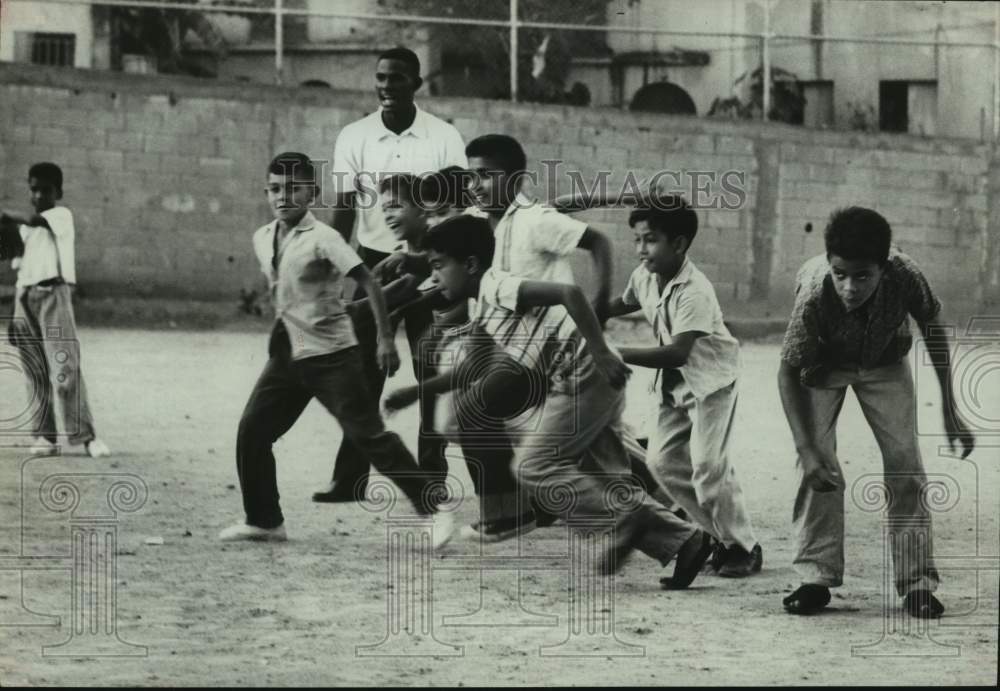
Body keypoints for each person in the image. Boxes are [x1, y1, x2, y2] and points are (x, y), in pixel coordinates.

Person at [385, 215, 713, 585]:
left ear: (471, 265)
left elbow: (568, 293)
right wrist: (415, 392)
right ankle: (685, 541)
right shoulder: (483, 306)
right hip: (580, 377)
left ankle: (623, 521)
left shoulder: (498, 285)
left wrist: (600, 351)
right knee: (604, 480)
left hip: (586, 372)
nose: (433, 278)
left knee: (534, 466)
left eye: (438, 266)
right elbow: (471, 369)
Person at [220, 153, 453, 545]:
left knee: (368, 435)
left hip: (331, 355)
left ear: (312, 192)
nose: (283, 197)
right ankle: (264, 519)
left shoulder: (324, 238)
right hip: (288, 353)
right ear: (266, 192)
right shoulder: (263, 237)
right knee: (252, 430)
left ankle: (433, 508)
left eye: (294, 189)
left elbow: (370, 283)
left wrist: (384, 339)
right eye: (275, 189)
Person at [777, 206, 975, 618]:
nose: (849, 287)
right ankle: (815, 576)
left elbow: (933, 329)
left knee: (905, 462)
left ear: (884, 268)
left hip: (885, 361)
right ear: (829, 264)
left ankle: (917, 584)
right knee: (819, 465)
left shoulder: (906, 274)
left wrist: (950, 409)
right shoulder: (814, 291)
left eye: (863, 276)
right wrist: (806, 449)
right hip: (823, 364)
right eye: (840, 274)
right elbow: (788, 372)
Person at [316, 46, 467, 504]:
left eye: (397, 78)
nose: (386, 86)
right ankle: (350, 477)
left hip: (428, 263)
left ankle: (431, 477)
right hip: (373, 264)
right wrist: (337, 272)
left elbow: (458, 204)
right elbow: (344, 208)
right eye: (380, 77)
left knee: (429, 366)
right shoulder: (355, 136)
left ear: (416, 84)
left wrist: (441, 262)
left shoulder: (443, 136)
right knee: (361, 371)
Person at [606, 195, 762, 578]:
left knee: (708, 467)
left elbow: (677, 352)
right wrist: (581, 309)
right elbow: (623, 303)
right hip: (672, 386)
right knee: (660, 463)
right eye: (638, 239)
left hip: (711, 382)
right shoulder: (644, 275)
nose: (641, 249)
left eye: (651, 240)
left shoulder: (695, 290)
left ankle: (744, 547)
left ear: (678, 243)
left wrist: (612, 351)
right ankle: (714, 536)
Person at [1, 162, 111, 459]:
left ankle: (86, 437)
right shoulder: (25, 229)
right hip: (25, 297)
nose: (38, 195)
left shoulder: (61, 216)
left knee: (65, 367)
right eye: (34, 189)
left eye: (45, 190)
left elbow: (34, 219)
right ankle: (44, 436)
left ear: (58, 193)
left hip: (53, 295)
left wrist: (5, 215)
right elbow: (18, 264)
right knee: (34, 369)